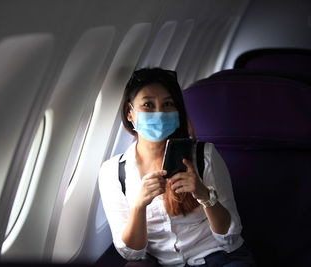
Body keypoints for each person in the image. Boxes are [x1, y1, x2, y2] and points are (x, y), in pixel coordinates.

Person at [98, 68, 255, 267]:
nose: (159, 113)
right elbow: (132, 254)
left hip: (218, 257)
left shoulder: (202, 154)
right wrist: (138, 206)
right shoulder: (113, 172)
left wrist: (204, 195)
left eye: (168, 104)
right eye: (148, 105)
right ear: (130, 113)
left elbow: (229, 236)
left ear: (177, 112)